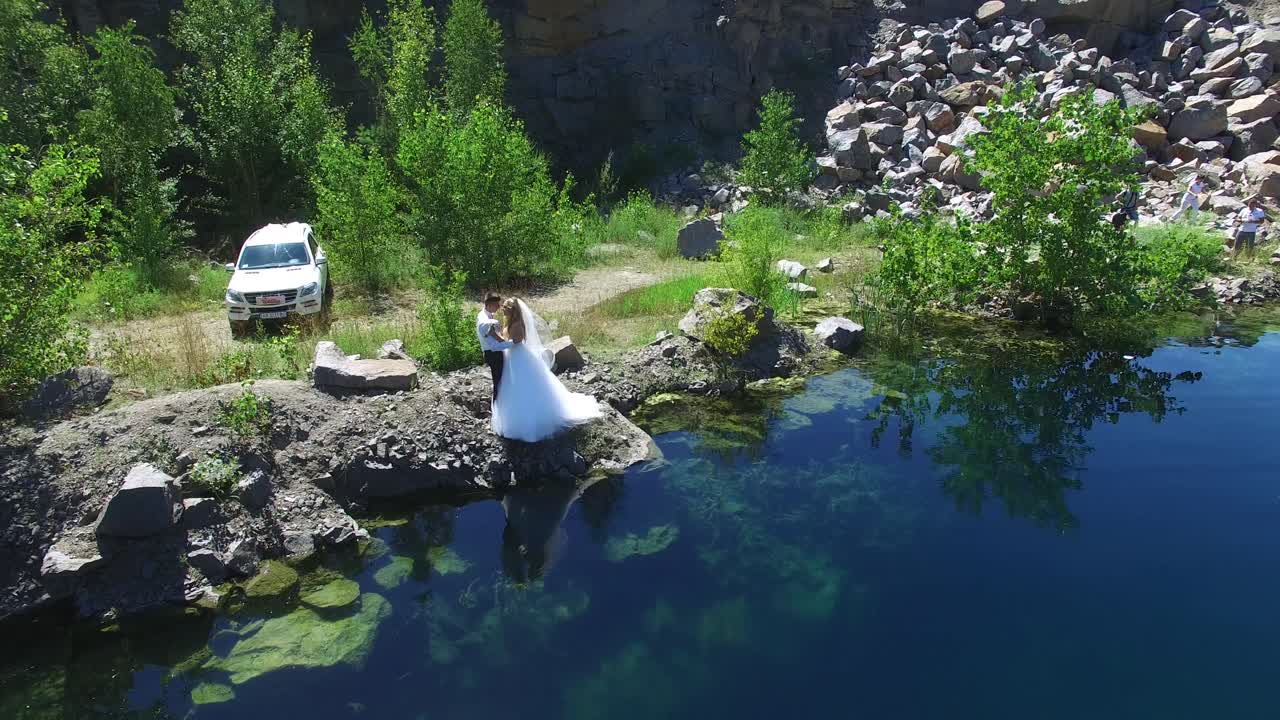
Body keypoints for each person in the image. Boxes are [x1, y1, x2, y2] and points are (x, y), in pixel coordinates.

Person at [491, 297, 602, 442]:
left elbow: (516, 342)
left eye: (506, 307)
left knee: (523, 386)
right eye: (503, 307)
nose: (503, 309)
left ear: (513, 311)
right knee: (512, 386)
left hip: (518, 357)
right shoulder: (509, 322)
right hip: (511, 357)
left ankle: (531, 420)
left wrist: (497, 339)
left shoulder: (517, 324)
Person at [476, 293, 513, 405]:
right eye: (497, 305)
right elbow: (494, 346)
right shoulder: (484, 320)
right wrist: (512, 343)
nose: (499, 307)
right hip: (493, 354)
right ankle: (497, 406)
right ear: (489, 305)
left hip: (493, 353)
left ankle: (500, 404)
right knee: (499, 382)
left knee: (501, 381)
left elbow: (494, 337)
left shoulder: (487, 315)